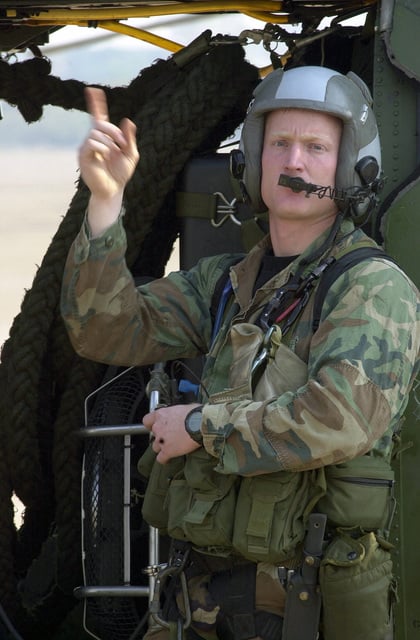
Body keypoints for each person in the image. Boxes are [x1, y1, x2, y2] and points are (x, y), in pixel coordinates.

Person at [61, 65, 420, 640]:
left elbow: (340, 419)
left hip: (306, 606)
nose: (293, 162)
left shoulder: (372, 288)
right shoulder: (227, 284)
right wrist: (107, 203)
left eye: (315, 147)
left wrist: (201, 428)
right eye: (278, 144)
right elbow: (104, 329)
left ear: (353, 166)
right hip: (206, 599)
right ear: (253, 161)